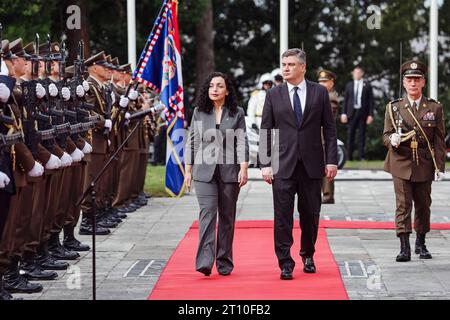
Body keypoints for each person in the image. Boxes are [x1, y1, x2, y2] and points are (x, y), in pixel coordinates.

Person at [259, 48, 338, 280]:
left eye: (291, 64)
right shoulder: (274, 94)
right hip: (282, 165)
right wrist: (265, 163)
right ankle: (285, 261)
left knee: (311, 214)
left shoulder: (319, 93)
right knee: (282, 216)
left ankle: (308, 254)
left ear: (303, 67)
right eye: (284, 64)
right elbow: (266, 130)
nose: (285, 68)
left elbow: (330, 130)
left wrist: (331, 160)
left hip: (312, 165)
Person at [185, 72, 249, 276]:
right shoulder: (199, 112)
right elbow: (192, 141)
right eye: (211, 85)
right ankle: (204, 261)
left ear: (227, 90)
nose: (214, 89)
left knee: (227, 217)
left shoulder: (237, 112)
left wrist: (244, 167)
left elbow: (242, 141)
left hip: (229, 172)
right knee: (208, 213)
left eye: (219, 86)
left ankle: (224, 261)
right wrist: (187, 170)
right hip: (203, 172)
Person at [382, 60, 446, 262]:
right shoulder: (394, 108)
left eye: (417, 79)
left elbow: (439, 139)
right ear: (403, 82)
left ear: (423, 82)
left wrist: (440, 166)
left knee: (423, 205)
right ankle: (404, 246)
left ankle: (421, 242)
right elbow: (385, 135)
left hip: (424, 163)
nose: (413, 83)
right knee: (403, 205)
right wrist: (391, 140)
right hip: (400, 161)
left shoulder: (434, 108)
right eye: (409, 79)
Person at [341, 66, 374, 160]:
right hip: (351, 113)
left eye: (358, 72)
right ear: (353, 74)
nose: (356, 74)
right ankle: (348, 157)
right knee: (350, 135)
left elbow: (371, 101)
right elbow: (345, 100)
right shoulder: (349, 85)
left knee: (362, 135)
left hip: (363, 113)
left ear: (362, 73)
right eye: (355, 73)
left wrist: (370, 114)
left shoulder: (367, 85)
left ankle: (361, 156)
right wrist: (343, 113)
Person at [318, 69, 339, 204]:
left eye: (325, 82)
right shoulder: (321, 95)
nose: (322, 84)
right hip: (316, 137)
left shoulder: (331, 97)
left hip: (324, 137)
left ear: (332, 83)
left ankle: (327, 194)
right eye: (320, 82)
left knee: (326, 166)